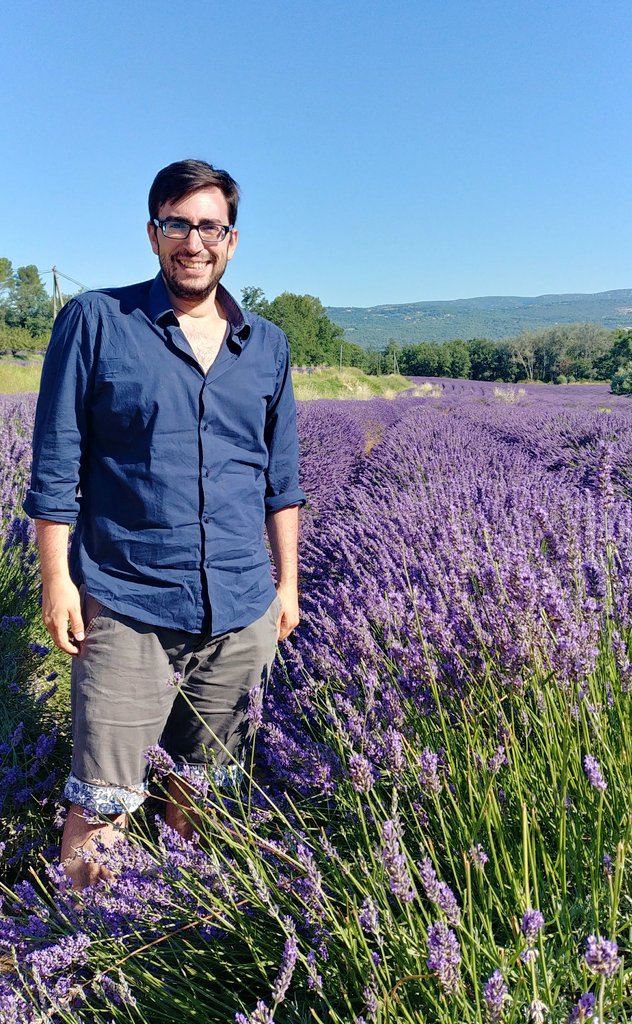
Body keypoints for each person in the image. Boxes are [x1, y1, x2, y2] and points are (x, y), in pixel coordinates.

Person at [24, 159, 305, 888]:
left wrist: (289, 587)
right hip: (128, 602)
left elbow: (282, 482)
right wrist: (57, 581)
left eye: (209, 226)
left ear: (232, 241)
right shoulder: (97, 321)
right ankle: (79, 969)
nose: (194, 241)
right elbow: (56, 464)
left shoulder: (267, 346)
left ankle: (174, 940)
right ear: (153, 234)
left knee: (204, 796)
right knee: (102, 805)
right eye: (177, 224)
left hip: (241, 610)